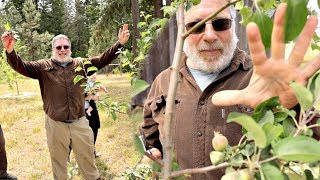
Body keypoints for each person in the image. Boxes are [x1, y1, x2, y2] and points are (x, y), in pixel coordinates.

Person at [141, 1, 320, 179]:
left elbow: (313, 143)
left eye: (221, 24)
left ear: (233, 26)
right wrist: (152, 156)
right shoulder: (164, 81)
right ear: (184, 31)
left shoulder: (260, 79)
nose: (210, 36)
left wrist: (291, 107)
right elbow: (150, 136)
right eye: (197, 26)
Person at [1, 24, 130, 180]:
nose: (62, 50)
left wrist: (120, 43)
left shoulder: (81, 64)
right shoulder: (43, 66)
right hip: (55, 123)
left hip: (79, 121)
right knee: (58, 159)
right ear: (53, 49)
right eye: (58, 47)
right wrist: (10, 51)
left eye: (65, 47)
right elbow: (22, 67)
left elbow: (103, 59)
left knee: (87, 156)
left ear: (70, 48)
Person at [84, 73, 108, 157]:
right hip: (81, 110)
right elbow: (84, 97)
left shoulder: (94, 84)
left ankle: (92, 150)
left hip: (91, 108)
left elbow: (100, 87)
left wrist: (102, 90)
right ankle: (68, 153)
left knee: (95, 127)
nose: (94, 79)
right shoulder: (83, 83)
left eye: (95, 78)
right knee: (81, 132)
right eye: (92, 78)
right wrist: (93, 93)